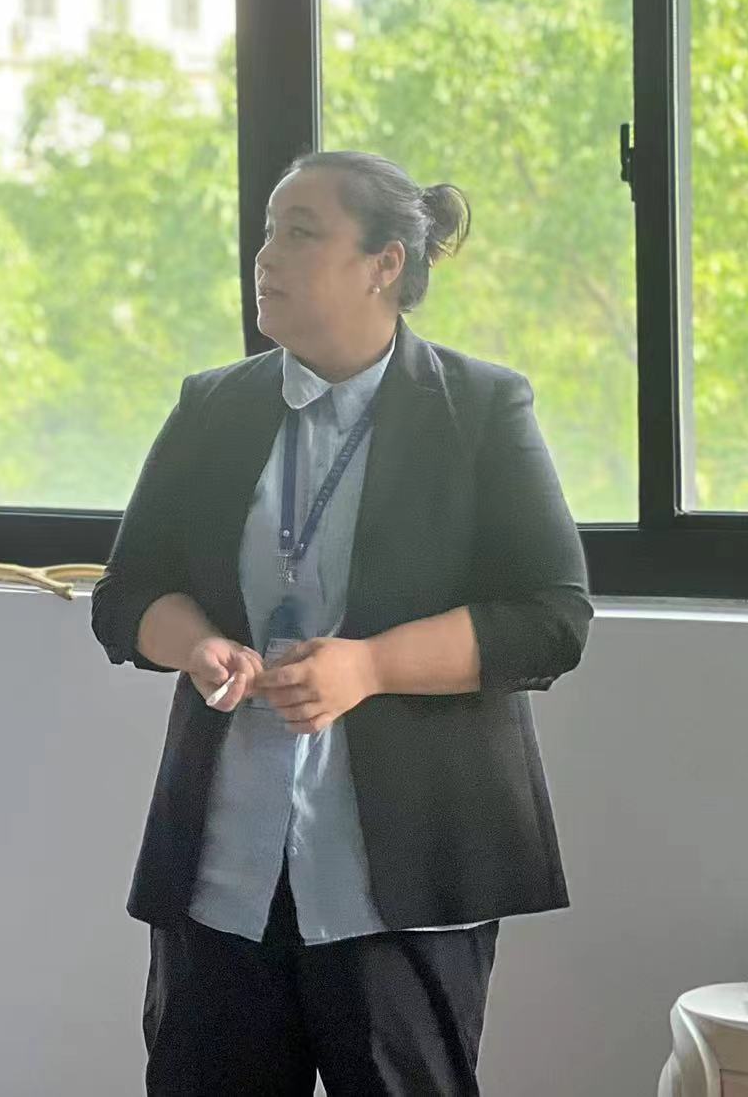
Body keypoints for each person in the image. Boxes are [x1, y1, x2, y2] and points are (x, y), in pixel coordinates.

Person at [91, 151, 592, 1096]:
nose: (265, 254)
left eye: (301, 232)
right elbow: (127, 594)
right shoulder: (213, 407)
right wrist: (196, 645)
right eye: (267, 230)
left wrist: (370, 667)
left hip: (404, 881)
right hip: (225, 872)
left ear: (385, 264)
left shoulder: (480, 408)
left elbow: (552, 620)